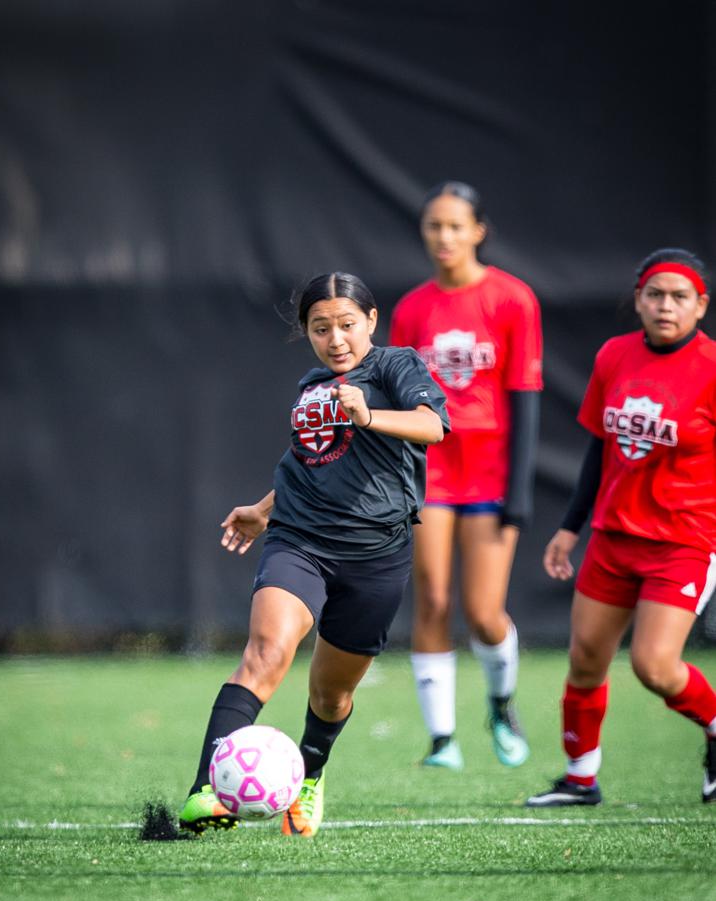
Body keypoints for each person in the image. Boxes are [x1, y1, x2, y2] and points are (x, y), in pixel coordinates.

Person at [179, 271, 449, 837]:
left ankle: (309, 777)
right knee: (265, 653)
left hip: (377, 556)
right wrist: (263, 509)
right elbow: (314, 463)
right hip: (300, 540)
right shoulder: (312, 383)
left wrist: (369, 414)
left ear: (371, 320)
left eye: (347, 324)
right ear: (306, 333)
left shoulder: (397, 366)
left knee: (332, 693)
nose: (336, 339)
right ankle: (206, 791)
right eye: (320, 328)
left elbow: (434, 426)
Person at [527, 248, 716, 807]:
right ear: (637, 300)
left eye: (679, 296)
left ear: (700, 306)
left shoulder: (710, 368)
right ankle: (580, 778)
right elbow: (598, 449)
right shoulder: (614, 355)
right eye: (654, 294)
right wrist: (570, 527)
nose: (665, 305)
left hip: (683, 540)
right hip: (612, 538)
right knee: (586, 658)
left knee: (655, 666)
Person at [389, 181, 543, 771]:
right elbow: (398, 400)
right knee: (430, 599)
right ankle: (441, 740)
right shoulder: (411, 309)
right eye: (434, 226)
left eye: (456, 226)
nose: (445, 237)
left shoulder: (513, 300)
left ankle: (501, 704)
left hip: (491, 476)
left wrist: (521, 492)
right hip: (430, 473)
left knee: (483, 612)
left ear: (479, 231)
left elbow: (525, 396)